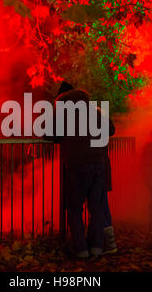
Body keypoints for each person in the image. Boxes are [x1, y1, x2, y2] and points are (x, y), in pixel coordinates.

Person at [48, 81, 113, 259]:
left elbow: (49, 134)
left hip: (76, 165)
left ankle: (81, 249)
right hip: (98, 164)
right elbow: (111, 129)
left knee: (75, 208)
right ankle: (97, 248)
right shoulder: (94, 112)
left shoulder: (63, 114)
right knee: (96, 208)